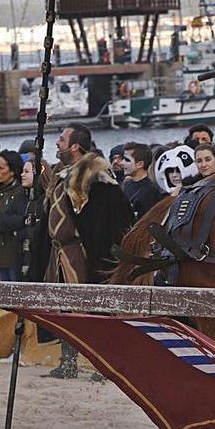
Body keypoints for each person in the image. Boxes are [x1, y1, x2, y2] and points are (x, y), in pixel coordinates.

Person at [45, 151, 134, 377]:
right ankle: (72, 362)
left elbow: (116, 229)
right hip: (76, 256)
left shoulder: (104, 193)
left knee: (96, 312)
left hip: (94, 258)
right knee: (69, 309)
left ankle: (101, 365)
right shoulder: (79, 189)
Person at [0, 151, 28, 281]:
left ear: (12, 171)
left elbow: (17, 221)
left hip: (14, 254)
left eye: (1, 168)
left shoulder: (20, 192)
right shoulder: (0, 191)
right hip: (0, 254)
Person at [120, 142, 165, 219]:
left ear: (140, 164)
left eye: (127, 160)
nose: (122, 163)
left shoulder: (151, 191)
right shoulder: (127, 185)